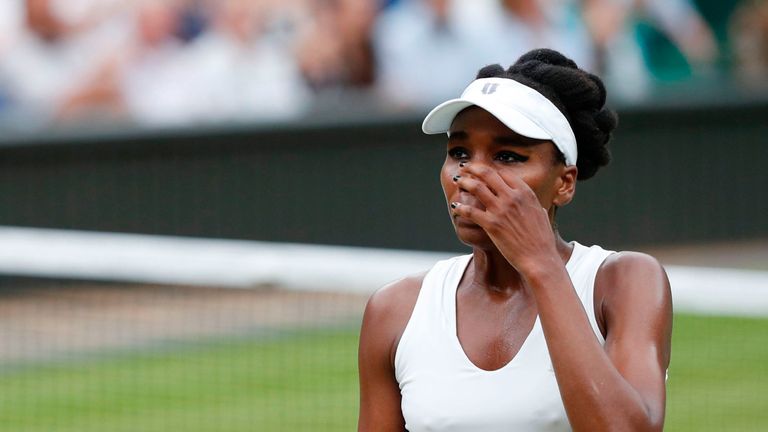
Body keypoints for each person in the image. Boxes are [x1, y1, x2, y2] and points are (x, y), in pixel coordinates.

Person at [357, 48, 672, 431]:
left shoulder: (624, 282)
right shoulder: (394, 310)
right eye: (459, 152)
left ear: (564, 183)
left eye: (507, 156)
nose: (471, 175)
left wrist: (542, 265)